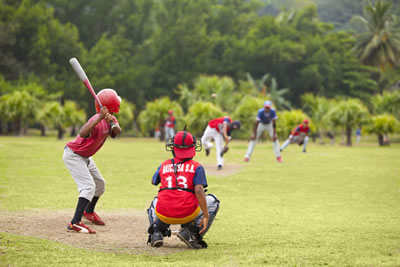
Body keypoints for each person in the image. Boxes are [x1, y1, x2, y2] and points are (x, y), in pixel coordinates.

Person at [147, 129, 220, 249]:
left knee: (155, 202)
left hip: (164, 214)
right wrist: (206, 216)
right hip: (188, 214)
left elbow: (153, 181)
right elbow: (199, 190)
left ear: (173, 147)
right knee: (214, 200)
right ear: (193, 147)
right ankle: (191, 233)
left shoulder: (165, 164)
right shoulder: (197, 167)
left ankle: (156, 231)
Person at [63, 89, 122, 234]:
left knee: (100, 185)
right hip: (74, 155)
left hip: (86, 157)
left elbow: (117, 133)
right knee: (88, 187)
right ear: (113, 104)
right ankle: (75, 222)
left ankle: (88, 212)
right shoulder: (95, 119)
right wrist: (99, 118)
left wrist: (111, 122)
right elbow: (83, 133)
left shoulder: (111, 119)